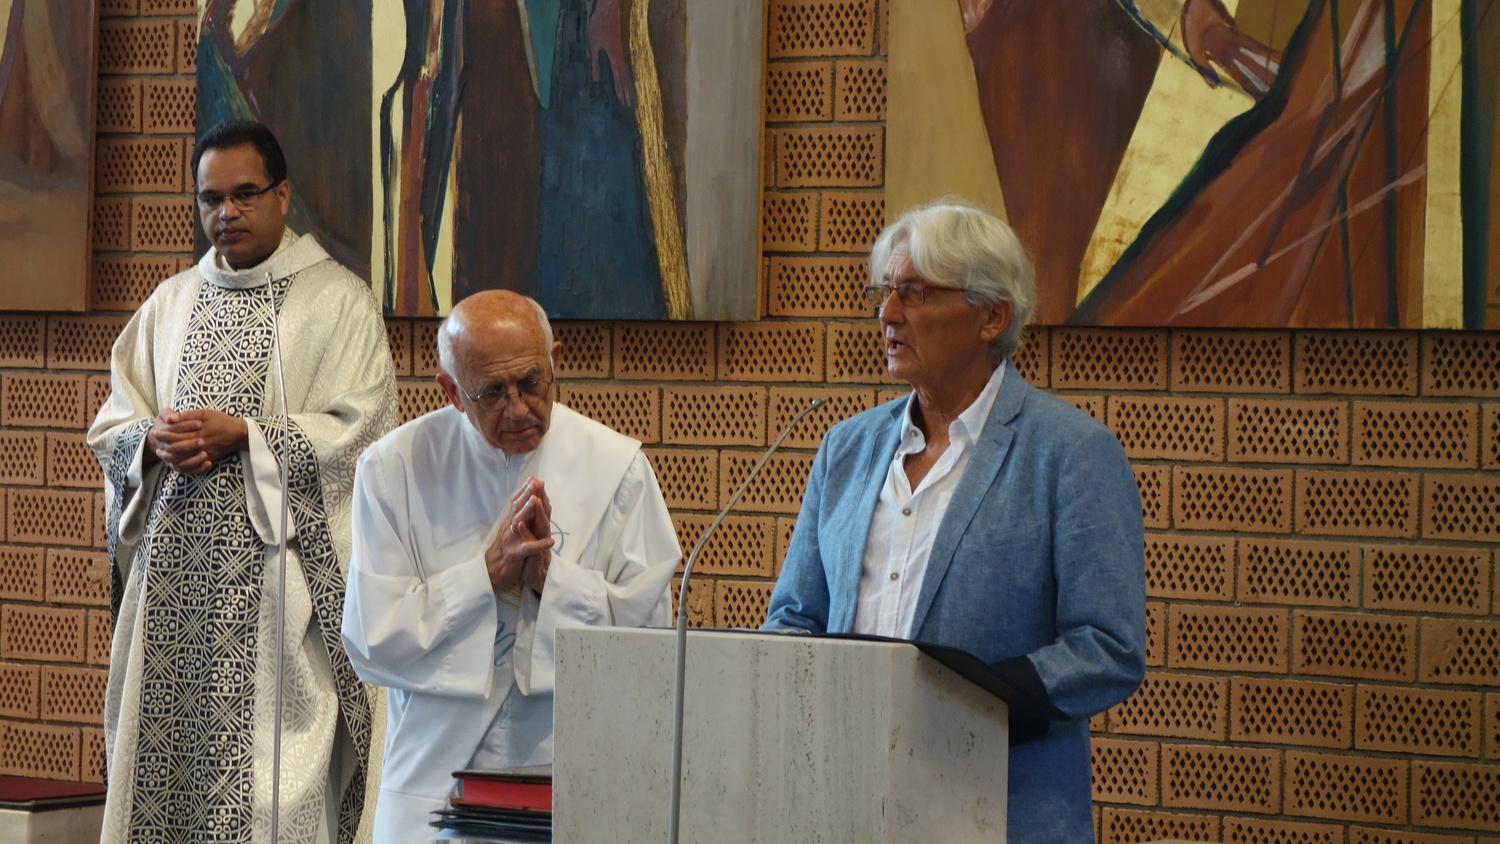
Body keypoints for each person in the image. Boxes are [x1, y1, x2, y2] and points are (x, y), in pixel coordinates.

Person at [762, 200, 1146, 844]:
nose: (887, 314)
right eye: (884, 292)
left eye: (913, 293)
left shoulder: (1071, 455)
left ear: (992, 316)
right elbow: (795, 616)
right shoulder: (845, 449)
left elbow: (1108, 648)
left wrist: (961, 705)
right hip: (844, 807)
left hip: (998, 810)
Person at [88, 120, 398, 844]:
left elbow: (364, 431)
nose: (225, 212)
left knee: (270, 799)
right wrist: (149, 441)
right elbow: (113, 425)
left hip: (279, 598)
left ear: (281, 195)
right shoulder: (170, 303)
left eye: (244, 194)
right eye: (210, 198)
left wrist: (250, 437)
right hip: (171, 599)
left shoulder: (338, 301)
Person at [340, 290, 680, 842]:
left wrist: (550, 580)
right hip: (435, 777)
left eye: (531, 382)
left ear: (555, 362)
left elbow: (651, 644)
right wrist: (485, 574)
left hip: (571, 767)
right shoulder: (393, 470)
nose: (519, 408)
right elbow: (372, 641)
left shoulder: (617, 469)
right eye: (492, 392)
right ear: (451, 392)